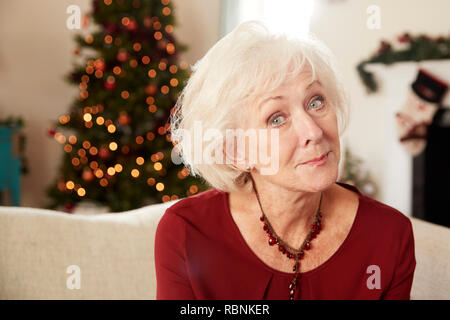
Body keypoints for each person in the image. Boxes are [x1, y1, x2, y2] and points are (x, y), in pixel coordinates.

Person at [155, 20, 416, 300]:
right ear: (235, 152)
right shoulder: (186, 233)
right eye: (276, 118)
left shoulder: (388, 236)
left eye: (315, 102)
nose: (314, 132)